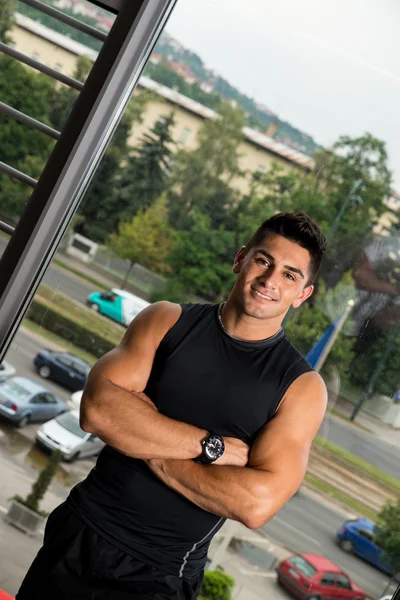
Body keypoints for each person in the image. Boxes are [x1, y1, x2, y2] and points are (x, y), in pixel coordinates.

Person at [17, 211, 328, 600]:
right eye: (263, 260)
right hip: (80, 534)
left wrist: (146, 439)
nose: (269, 280)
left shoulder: (300, 388)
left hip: (161, 575)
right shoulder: (166, 320)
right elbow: (96, 411)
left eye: (289, 274)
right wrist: (210, 447)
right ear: (240, 259)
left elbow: (255, 504)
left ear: (302, 295)